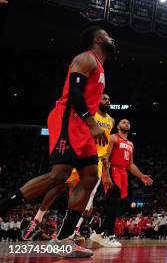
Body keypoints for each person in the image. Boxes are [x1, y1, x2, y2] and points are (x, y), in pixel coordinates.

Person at [0, 26, 114, 258]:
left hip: (83, 124)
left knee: (91, 176)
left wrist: (90, 123)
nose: (112, 39)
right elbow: (74, 92)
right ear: (98, 39)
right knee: (59, 176)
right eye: (108, 35)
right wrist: (91, 122)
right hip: (68, 119)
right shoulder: (85, 58)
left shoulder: (101, 66)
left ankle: (63, 239)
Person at [22, 93, 115, 242]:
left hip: (95, 161)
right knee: (58, 187)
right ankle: (36, 220)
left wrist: (106, 168)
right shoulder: (88, 113)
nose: (107, 101)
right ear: (97, 100)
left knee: (88, 201)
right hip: (80, 153)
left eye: (109, 99)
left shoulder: (111, 120)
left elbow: (105, 144)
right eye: (104, 98)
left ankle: (71, 232)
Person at [90, 119, 153, 248]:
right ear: (118, 126)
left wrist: (141, 176)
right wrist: (106, 174)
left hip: (123, 172)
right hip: (112, 169)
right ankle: (109, 235)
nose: (127, 123)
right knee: (114, 199)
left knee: (119, 203)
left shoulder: (130, 144)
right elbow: (105, 157)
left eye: (128, 122)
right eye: (123, 122)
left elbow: (130, 164)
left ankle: (99, 232)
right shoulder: (113, 137)